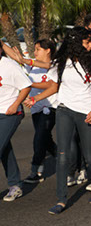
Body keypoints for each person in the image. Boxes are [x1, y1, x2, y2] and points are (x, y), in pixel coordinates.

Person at [28, 27, 91, 214]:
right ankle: (61, 199)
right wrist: (35, 99)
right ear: (76, 44)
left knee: (90, 155)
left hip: (87, 112)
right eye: (87, 42)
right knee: (63, 155)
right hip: (64, 110)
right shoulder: (61, 63)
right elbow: (54, 87)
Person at [23, 39, 58, 184]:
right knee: (46, 139)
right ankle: (67, 160)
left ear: (48, 50)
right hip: (35, 108)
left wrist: (30, 84)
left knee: (39, 137)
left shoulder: (54, 65)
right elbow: (16, 59)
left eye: (38, 49)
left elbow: (50, 85)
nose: (35, 52)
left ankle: (36, 170)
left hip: (50, 107)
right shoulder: (31, 65)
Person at [0, 43, 32, 201]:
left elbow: (26, 86)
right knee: (4, 148)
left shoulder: (9, 65)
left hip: (10, 112)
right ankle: (15, 185)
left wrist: (14, 104)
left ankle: (15, 184)